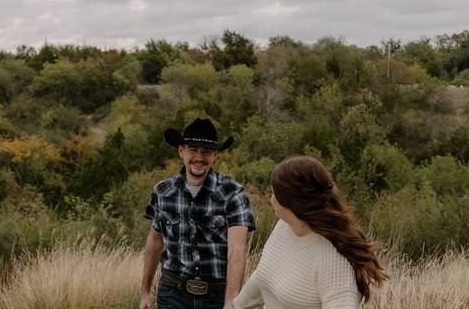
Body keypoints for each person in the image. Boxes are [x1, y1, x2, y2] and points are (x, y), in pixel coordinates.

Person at [233, 156, 386, 309]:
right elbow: (262, 277)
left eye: (274, 193)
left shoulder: (334, 260)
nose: (271, 198)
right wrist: (234, 306)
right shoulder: (283, 227)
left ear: (291, 202)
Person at [140, 117, 256, 309]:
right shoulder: (162, 191)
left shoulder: (233, 193)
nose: (199, 157)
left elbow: (237, 250)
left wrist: (231, 300)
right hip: (172, 293)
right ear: (181, 151)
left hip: (216, 296)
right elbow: (155, 241)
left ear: (215, 155)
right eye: (193, 150)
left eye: (206, 152)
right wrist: (145, 291)